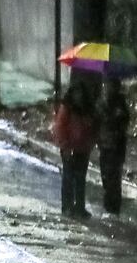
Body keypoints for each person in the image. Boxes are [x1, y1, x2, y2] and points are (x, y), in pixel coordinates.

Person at [52, 84, 97, 218]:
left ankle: (79, 207)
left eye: (81, 94)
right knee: (68, 177)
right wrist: (65, 146)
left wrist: (90, 144)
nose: (79, 97)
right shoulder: (66, 108)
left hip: (82, 149)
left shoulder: (88, 110)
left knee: (80, 179)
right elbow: (60, 127)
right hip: (69, 148)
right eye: (77, 93)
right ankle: (67, 206)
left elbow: (92, 130)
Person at [97, 78, 130, 215]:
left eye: (111, 86)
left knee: (114, 178)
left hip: (116, 147)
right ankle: (109, 205)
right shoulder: (103, 103)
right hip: (104, 145)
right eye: (107, 86)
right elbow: (98, 119)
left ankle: (112, 207)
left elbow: (124, 122)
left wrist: (115, 118)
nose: (108, 89)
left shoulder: (120, 105)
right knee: (106, 175)